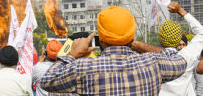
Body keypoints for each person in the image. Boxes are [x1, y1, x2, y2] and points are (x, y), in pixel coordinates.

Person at [40, 6, 187, 95]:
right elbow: (179, 60)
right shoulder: (152, 63)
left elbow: (47, 81)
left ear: (101, 40)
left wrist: (71, 54)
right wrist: (141, 46)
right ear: (132, 36)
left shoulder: (84, 68)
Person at [131, 2, 203, 96]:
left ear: (160, 39)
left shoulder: (149, 60)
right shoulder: (187, 57)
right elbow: (201, 32)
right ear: (178, 39)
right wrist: (180, 11)